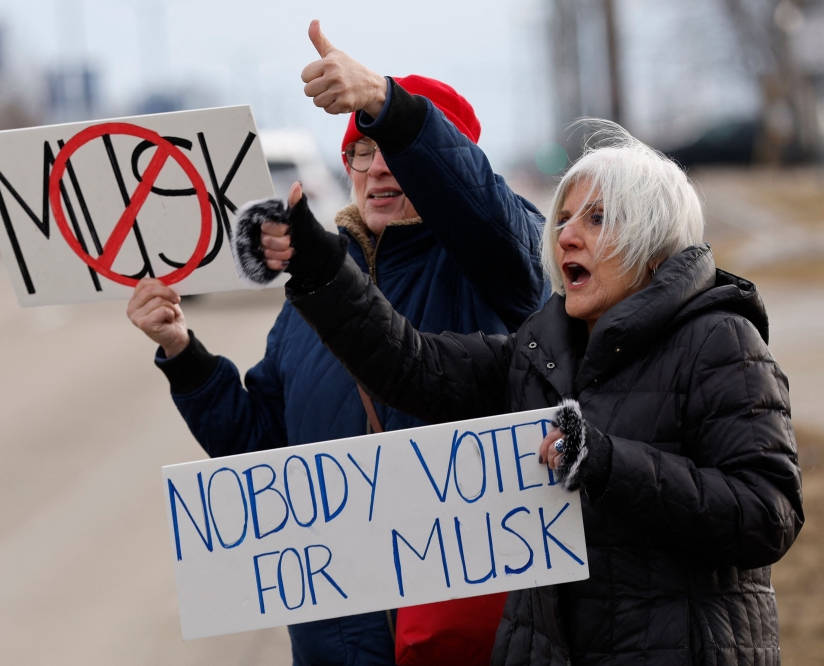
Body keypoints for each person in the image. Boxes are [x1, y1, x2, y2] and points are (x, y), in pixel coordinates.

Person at [270, 122, 804, 666]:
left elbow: (768, 515)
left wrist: (604, 462)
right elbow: (411, 365)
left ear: (655, 240)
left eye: (597, 218)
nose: (567, 235)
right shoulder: (540, 347)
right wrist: (320, 268)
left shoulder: (719, 341)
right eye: (565, 218)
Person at [127, 21, 550, 666]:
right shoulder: (315, 291)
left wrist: (386, 104)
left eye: (395, 152)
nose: (378, 167)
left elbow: (479, 205)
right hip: (339, 641)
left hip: (468, 635)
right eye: (360, 151)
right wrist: (184, 353)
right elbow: (266, 450)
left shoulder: (498, 263)